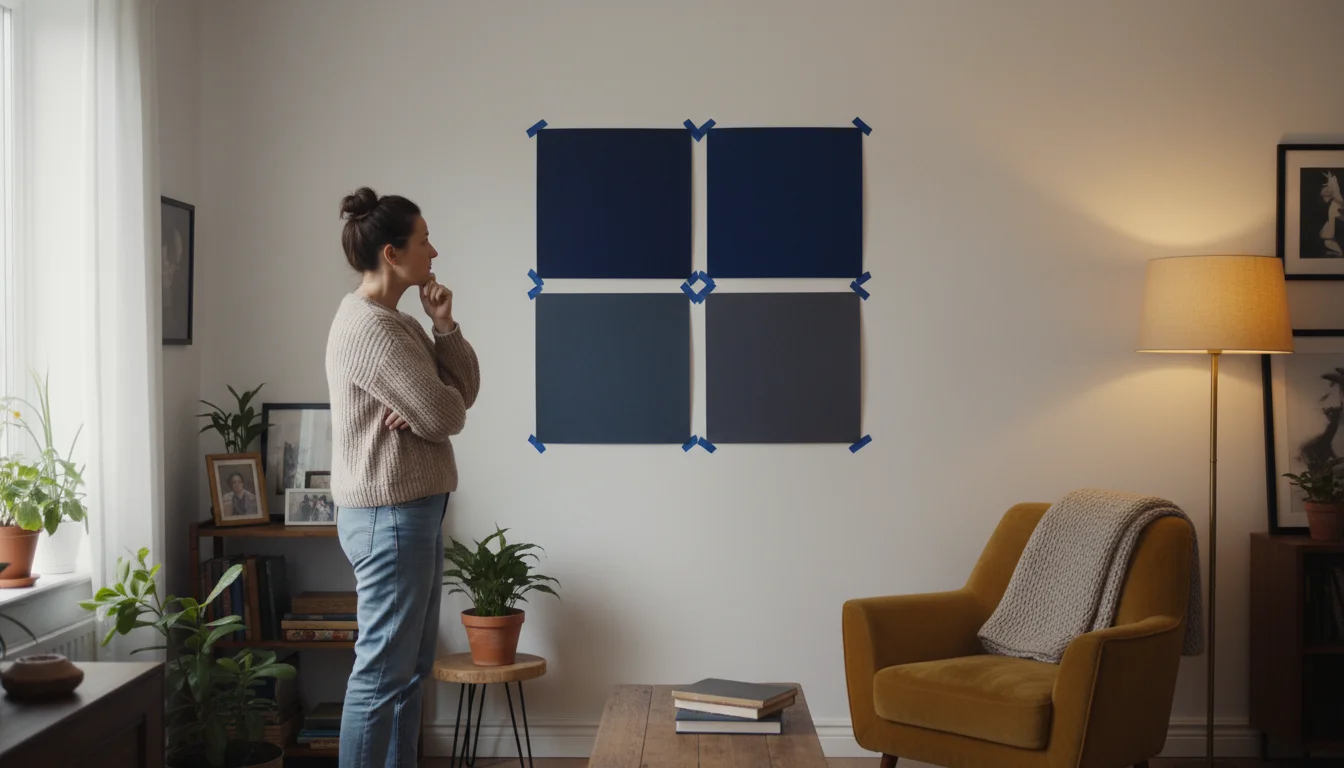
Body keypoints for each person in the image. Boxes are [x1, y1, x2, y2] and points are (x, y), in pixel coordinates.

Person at [325, 186, 480, 768]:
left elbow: (461, 394)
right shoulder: (373, 330)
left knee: (408, 673)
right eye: (423, 240)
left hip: (411, 512)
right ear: (392, 253)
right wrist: (428, 406)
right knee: (381, 676)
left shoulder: (400, 322)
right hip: (389, 517)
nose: (433, 250)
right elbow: (447, 415)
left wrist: (443, 326)